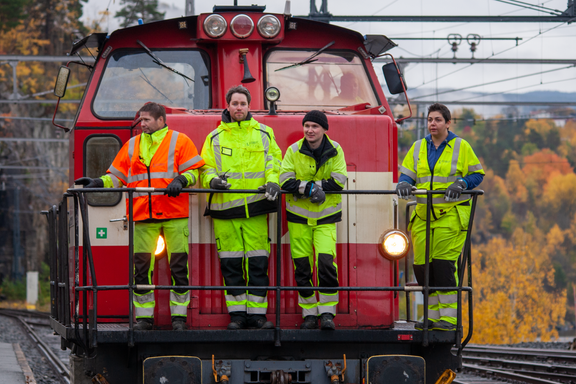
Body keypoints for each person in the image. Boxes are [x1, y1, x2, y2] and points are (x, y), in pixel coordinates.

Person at [75, 102, 205, 331]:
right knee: (141, 270)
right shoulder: (132, 145)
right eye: (141, 119)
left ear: (161, 120)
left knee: (179, 269)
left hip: (174, 214)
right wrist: (96, 182)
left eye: (146, 120)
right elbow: (116, 177)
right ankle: (144, 319)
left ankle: (179, 319)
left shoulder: (180, 141)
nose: (141, 124)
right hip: (143, 215)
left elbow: (194, 171)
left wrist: (181, 180)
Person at [200, 85, 282, 330]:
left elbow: (274, 161)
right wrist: (212, 181)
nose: (238, 108)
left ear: (249, 106)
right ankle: (237, 316)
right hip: (225, 212)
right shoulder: (214, 137)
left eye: (243, 104)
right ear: (227, 106)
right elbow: (205, 168)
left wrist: (273, 181)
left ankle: (258, 317)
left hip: (257, 208)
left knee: (258, 263)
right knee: (231, 265)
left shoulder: (265, 133)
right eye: (234, 103)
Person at [396, 103, 484, 331]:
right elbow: (407, 175)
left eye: (437, 120)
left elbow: (477, 173)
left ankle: (449, 319)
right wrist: (404, 185)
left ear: (447, 123)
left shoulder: (461, 146)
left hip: (449, 215)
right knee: (423, 269)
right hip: (423, 216)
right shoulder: (418, 148)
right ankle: (432, 318)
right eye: (429, 120)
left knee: (443, 266)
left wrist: (462, 183)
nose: (432, 124)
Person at [279, 110, 347, 330]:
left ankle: (327, 312)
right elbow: (284, 181)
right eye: (306, 125)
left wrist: (307, 187)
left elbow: (338, 182)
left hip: (326, 218)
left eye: (315, 126)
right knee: (302, 268)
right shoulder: (293, 150)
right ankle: (309, 313)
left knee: (326, 264)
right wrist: (310, 188)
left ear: (324, 129)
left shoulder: (336, 150)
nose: (310, 130)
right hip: (298, 219)